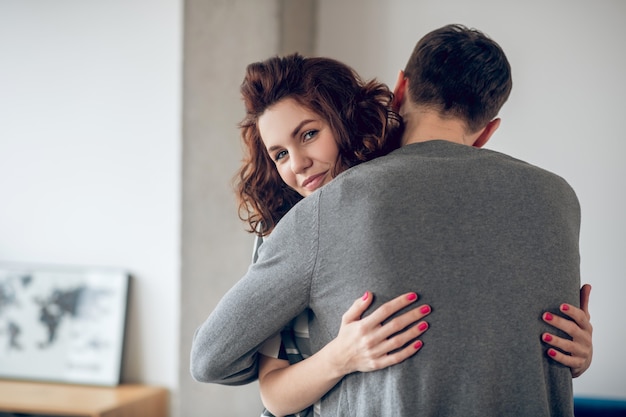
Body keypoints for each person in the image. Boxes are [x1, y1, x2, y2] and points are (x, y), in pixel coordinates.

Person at [192, 24, 590, 416]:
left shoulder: (328, 210)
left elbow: (212, 358)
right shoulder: (559, 198)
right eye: (279, 154)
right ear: (487, 131)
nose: (297, 163)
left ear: (400, 89)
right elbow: (270, 392)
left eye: (310, 134)